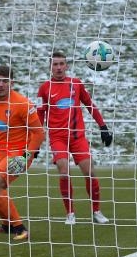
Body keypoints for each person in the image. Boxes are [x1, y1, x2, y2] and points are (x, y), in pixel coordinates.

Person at [37, 51, 113, 225]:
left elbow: (90, 105)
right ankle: (70, 213)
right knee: (64, 171)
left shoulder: (76, 84)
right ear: (50, 67)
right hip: (57, 138)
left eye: (61, 64)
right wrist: (37, 140)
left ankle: (96, 211)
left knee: (90, 173)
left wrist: (103, 127)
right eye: (55, 64)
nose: (58, 67)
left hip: (78, 137)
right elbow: (40, 115)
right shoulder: (44, 88)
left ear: (67, 65)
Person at [0, 65, 45, 241]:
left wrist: (27, 155)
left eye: (5, 81)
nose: (1, 84)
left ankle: (20, 228)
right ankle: (7, 225)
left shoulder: (23, 103)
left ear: (12, 83)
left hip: (20, 154)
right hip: (1, 153)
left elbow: (39, 133)